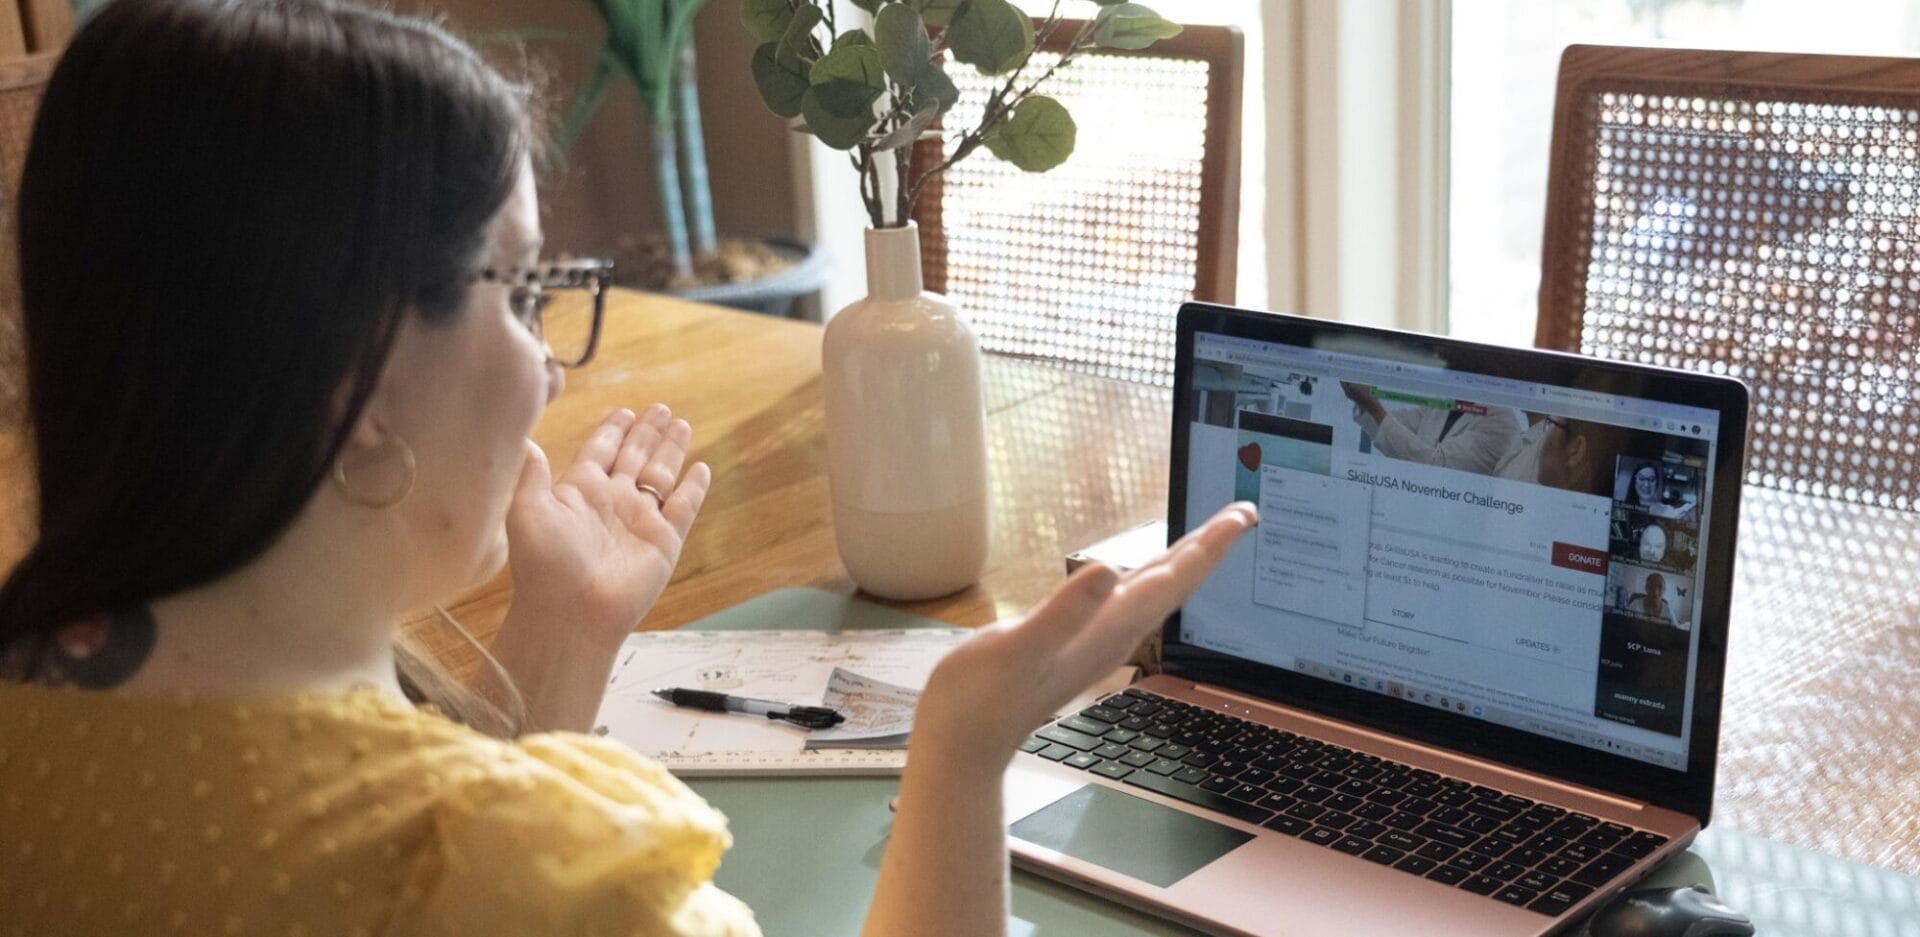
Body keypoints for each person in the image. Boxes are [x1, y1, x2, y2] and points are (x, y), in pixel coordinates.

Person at [0, 2, 1258, 935]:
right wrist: (964, 749)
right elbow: (458, 861)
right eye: (523, 292)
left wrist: (562, 631)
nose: (551, 371)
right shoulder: (536, 867)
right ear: (359, 391)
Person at [1341, 382, 1521, 474]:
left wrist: (1373, 406)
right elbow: (1395, 426)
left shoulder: (1499, 418)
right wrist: (1362, 400)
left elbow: (1437, 467)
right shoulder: (1447, 402)